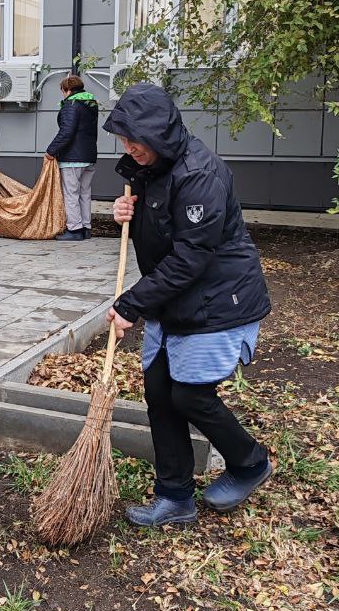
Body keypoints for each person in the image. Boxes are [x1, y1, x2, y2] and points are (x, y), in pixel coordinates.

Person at [103, 83, 272, 527]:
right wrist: (128, 212)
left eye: (135, 140)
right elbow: (160, 227)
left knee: (190, 395)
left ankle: (250, 462)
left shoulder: (200, 173)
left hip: (217, 300)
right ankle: (174, 496)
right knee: (159, 392)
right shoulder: (152, 167)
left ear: (159, 135)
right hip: (176, 300)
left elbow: (191, 256)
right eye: (123, 140)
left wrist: (132, 303)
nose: (129, 148)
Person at [45, 74, 98, 241]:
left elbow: (67, 132)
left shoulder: (71, 104)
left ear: (67, 90)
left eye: (63, 91)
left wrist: (51, 150)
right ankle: (86, 228)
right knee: (85, 193)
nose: (63, 94)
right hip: (89, 155)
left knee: (71, 193)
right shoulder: (90, 104)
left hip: (72, 157)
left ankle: (74, 229)